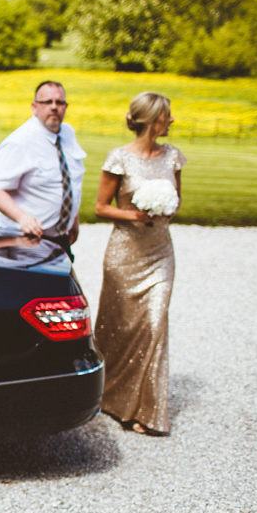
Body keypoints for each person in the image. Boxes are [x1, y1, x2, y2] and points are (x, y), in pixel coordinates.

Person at [93, 92, 186, 435]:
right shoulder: (118, 159)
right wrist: (135, 213)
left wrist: (164, 208)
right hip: (125, 253)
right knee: (118, 326)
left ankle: (148, 412)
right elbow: (101, 207)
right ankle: (112, 397)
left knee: (154, 321)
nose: (171, 121)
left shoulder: (173, 156)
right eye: (166, 116)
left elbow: (177, 202)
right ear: (149, 120)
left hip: (160, 251)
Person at [0, 80, 86, 259]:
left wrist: (73, 220)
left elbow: (70, 180)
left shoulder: (68, 133)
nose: (54, 107)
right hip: (24, 240)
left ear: (66, 106)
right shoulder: (19, 142)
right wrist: (22, 218)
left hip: (59, 238)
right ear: (34, 106)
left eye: (59, 102)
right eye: (47, 102)